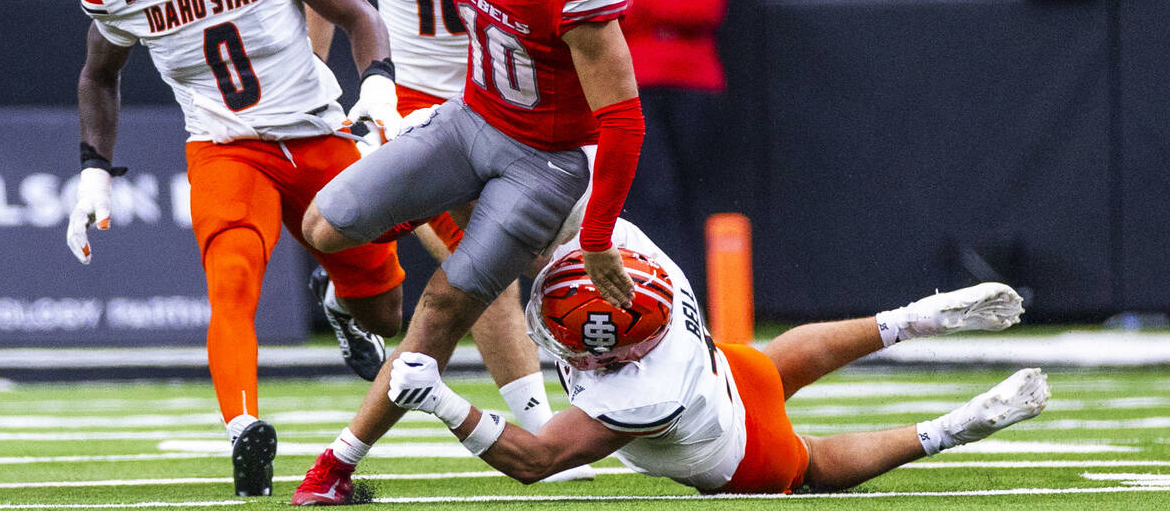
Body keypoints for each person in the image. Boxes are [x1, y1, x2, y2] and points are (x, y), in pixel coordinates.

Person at [289, 0, 644, 505]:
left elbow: (624, 121)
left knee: (446, 306)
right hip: (468, 123)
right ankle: (373, 259)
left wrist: (599, 235)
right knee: (323, 224)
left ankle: (336, 467)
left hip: (541, 162)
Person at [67, 0, 408, 497]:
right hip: (227, 147)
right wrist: (92, 171)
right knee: (231, 279)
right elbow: (98, 76)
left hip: (317, 133)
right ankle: (242, 426)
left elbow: (360, 18)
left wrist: (377, 85)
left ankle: (341, 305)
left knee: (386, 313)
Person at [386, 216, 1051, 494]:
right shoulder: (645, 266)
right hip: (725, 370)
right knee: (774, 366)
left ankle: (953, 428)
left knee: (812, 466)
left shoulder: (635, 396)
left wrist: (440, 400)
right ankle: (913, 318)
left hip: (734, 452)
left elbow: (539, 460)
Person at [601, 0, 728, 292]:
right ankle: (659, 293)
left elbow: (708, 9)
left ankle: (705, 298)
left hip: (696, 87)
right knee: (655, 196)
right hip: (635, 88)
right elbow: (612, 11)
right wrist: (671, 13)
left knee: (696, 196)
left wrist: (645, 6)